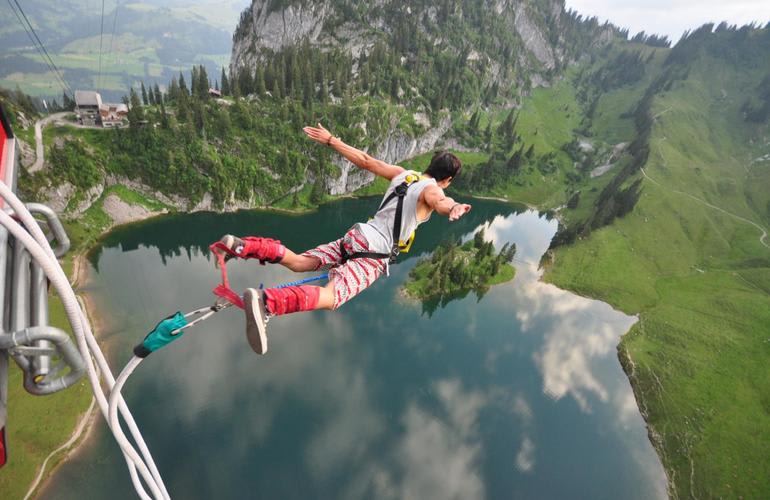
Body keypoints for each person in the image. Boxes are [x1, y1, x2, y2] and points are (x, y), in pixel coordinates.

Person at [219, 124, 471, 354]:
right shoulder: (434, 189)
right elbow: (440, 201)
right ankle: (267, 303)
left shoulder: (404, 175)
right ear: (447, 180)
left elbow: (365, 161)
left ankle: (243, 246)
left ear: (429, 165)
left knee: (299, 262)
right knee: (331, 297)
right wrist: (453, 207)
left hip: (356, 236)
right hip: (373, 253)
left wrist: (331, 140)